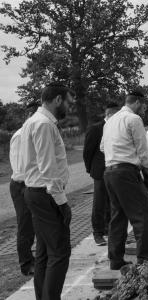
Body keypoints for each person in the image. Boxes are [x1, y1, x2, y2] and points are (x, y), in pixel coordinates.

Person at [21, 83, 74, 300]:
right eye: (69, 103)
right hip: (46, 194)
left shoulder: (33, 122)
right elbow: (47, 166)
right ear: (58, 100)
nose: (69, 108)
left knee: (43, 253)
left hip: (37, 192)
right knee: (60, 252)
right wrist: (62, 202)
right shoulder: (43, 124)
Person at [100, 90, 148, 270]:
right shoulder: (133, 119)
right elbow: (143, 148)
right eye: (145, 105)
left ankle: (115, 260)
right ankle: (145, 261)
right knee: (143, 216)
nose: (145, 109)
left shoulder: (110, 121)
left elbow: (103, 147)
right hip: (125, 172)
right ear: (138, 102)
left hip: (109, 172)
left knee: (118, 217)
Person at [83, 102, 120, 246]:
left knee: (112, 202)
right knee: (99, 203)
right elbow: (88, 152)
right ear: (109, 114)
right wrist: (90, 169)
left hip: (113, 170)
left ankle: (109, 229)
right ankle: (97, 232)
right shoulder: (95, 129)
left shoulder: (117, 128)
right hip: (99, 171)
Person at [9, 102, 39, 276]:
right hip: (22, 185)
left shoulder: (31, 133)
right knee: (25, 226)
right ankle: (26, 264)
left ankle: (34, 258)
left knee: (35, 224)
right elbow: (21, 166)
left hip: (30, 183)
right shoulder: (21, 135)